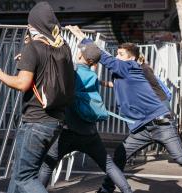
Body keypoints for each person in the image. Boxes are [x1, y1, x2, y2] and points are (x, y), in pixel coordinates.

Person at [67, 25, 182, 193]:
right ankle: (107, 188)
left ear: (132, 58)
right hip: (142, 128)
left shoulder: (130, 67)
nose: (116, 57)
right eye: (117, 54)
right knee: (120, 154)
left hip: (161, 124)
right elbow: (117, 84)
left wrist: (81, 37)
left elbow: (105, 58)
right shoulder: (122, 74)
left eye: (120, 54)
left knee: (181, 158)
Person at [0, 2, 74, 193]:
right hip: (55, 121)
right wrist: (27, 60)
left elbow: (22, 83)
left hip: (36, 122)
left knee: (25, 178)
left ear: (33, 24)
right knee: (21, 174)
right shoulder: (64, 48)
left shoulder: (33, 47)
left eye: (29, 24)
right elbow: (48, 69)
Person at [37, 40, 133, 193]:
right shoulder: (93, 76)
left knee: (48, 165)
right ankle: (127, 190)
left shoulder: (73, 73)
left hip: (68, 131)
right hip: (90, 132)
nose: (77, 53)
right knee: (108, 165)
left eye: (80, 52)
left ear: (84, 58)